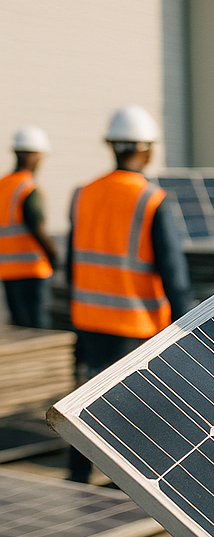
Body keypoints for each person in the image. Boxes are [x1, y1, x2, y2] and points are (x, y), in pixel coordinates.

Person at [66, 105, 192, 482]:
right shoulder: (151, 199)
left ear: (112, 146)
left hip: (88, 319)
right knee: (134, 413)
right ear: (148, 149)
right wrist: (185, 325)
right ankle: (132, 486)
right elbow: (174, 274)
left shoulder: (84, 193)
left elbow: (74, 260)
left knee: (85, 404)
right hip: (135, 324)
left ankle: (77, 476)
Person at [0, 126, 58, 328]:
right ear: (35, 156)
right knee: (37, 327)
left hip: (7, 270)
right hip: (32, 270)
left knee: (19, 327)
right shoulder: (27, 188)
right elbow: (37, 227)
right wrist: (54, 255)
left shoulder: (3, 185)